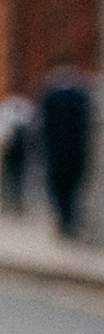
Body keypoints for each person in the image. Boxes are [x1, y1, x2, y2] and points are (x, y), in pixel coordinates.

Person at [38, 65, 93, 239]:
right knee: (72, 185)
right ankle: (68, 219)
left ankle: (64, 219)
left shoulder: (51, 95)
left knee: (59, 186)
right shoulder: (79, 94)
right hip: (75, 149)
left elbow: (44, 126)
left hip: (56, 150)